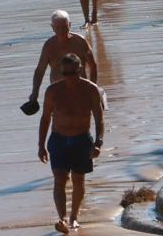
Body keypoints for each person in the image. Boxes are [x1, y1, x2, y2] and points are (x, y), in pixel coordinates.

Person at [38, 52, 105, 235]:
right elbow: (45, 119)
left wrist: (98, 142)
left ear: (80, 70)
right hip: (58, 139)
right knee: (59, 178)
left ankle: (74, 217)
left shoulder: (91, 89)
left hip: (81, 139)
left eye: (72, 73)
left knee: (78, 179)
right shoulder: (52, 91)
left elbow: (99, 119)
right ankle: (62, 218)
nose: (69, 78)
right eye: (65, 74)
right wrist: (41, 145)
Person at [26, 10, 98, 112]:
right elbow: (40, 71)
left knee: (82, 123)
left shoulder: (80, 42)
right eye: (57, 28)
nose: (61, 31)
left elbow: (93, 66)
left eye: (64, 27)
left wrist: (92, 87)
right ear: (52, 28)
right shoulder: (49, 46)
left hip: (80, 91)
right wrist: (35, 92)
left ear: (70, 24)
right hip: (58, 93)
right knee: (60, 124)